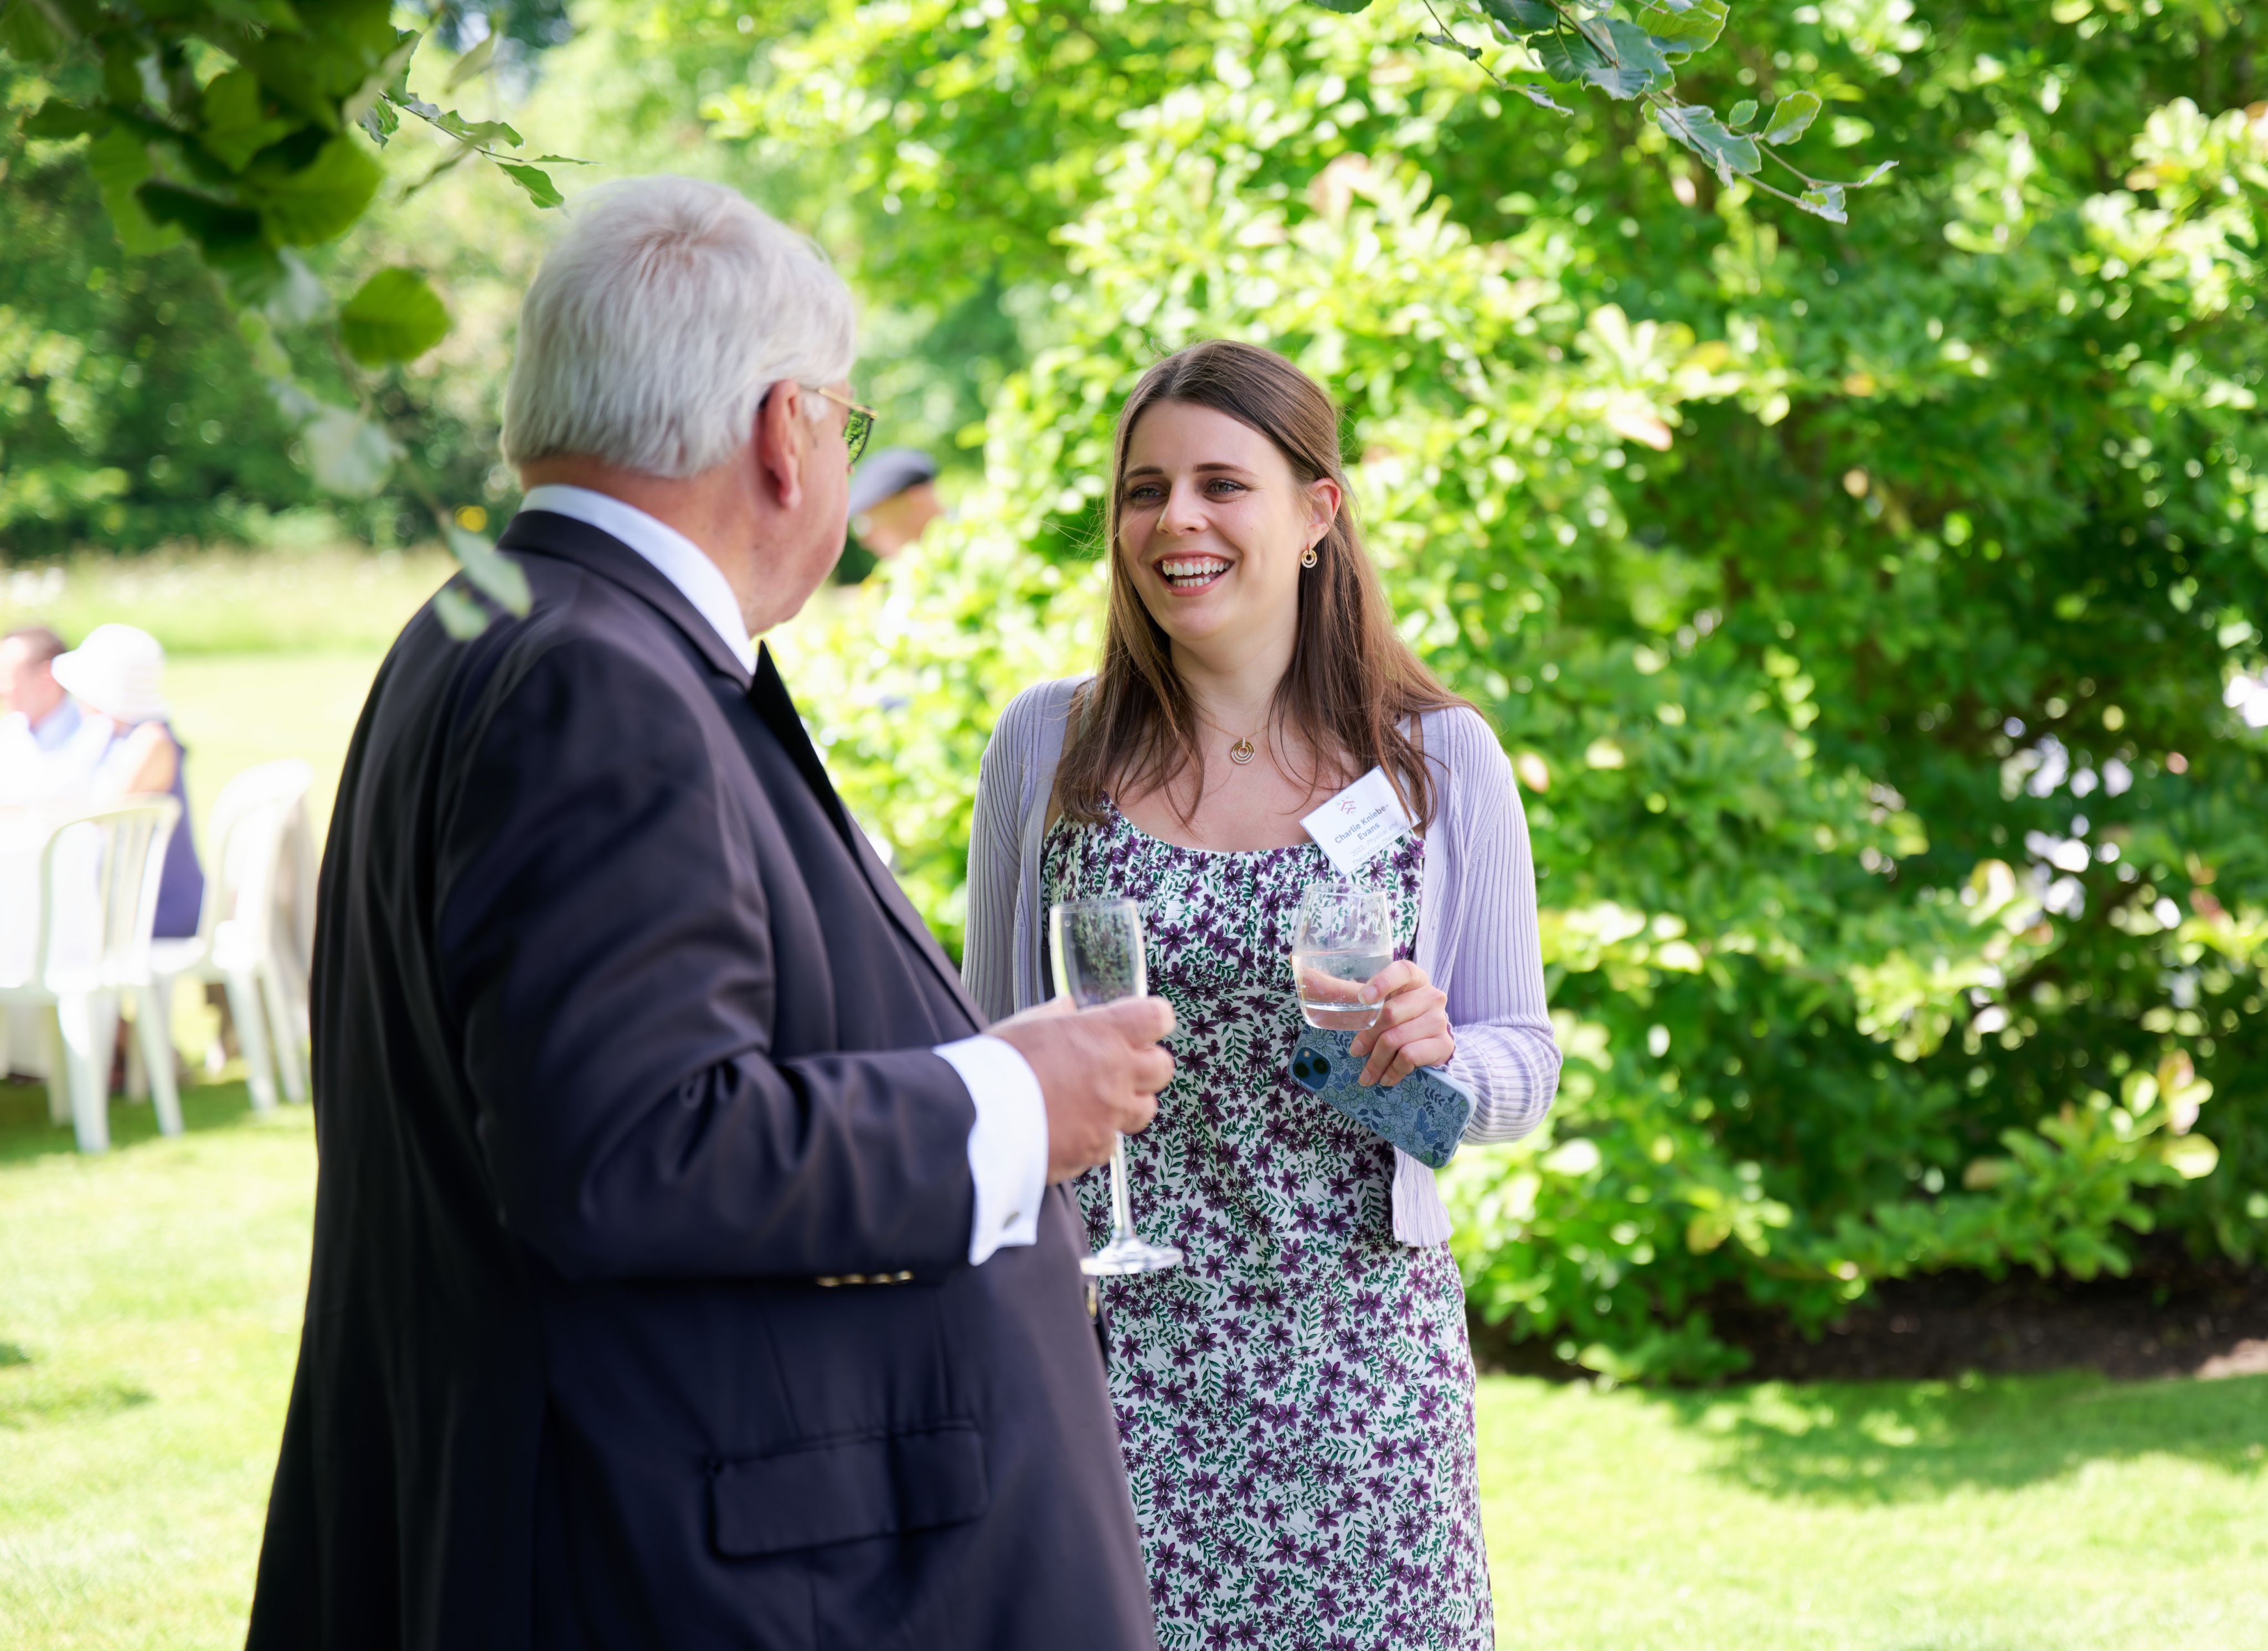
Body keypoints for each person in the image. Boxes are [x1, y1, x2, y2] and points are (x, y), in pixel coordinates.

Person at [245, 177, 1172, 1651]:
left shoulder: (486, 626)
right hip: (671, 1565)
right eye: (846, 420)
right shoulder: (595, 680)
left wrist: (946, 1061)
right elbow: (627, 1147)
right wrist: (1004, 1101)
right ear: (781, 429)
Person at [965, 340, 1561, 1649]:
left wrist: (1435, 1064)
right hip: (1113, 1359)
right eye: (1144, 490)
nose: (1175, 519)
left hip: (1363, 1385)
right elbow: (989, 1071)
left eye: (1220, 484)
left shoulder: (1433, 761)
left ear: (1316, 513)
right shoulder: (1048, 747)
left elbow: (1519, 1075)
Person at [50, 623, 204, 937]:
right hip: (127, 897)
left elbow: (100, 818)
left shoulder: (151, 741)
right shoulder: (115, 735)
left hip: (156, 906)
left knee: (49, 925)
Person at [0, 624, 108, 805]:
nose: (3, 688)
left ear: (46, 677)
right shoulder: (9, 732)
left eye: (7, 675)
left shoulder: (97, 734)